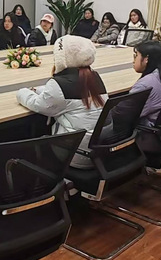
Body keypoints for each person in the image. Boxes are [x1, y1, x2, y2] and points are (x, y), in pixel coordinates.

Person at [16, 36, 108, 169]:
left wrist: (22, 92)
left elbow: (38, 104)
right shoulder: (93, 76)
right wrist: (39, 90)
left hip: (74, 152)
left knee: (34, 141)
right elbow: (59, 96)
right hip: (97, 152)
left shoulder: (59, 85)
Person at [129, 41, 161, 126]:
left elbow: (126, 114)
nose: (133, 61)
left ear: (146, 59)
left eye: (136, 56)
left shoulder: (144, 85)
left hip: (145, 128)